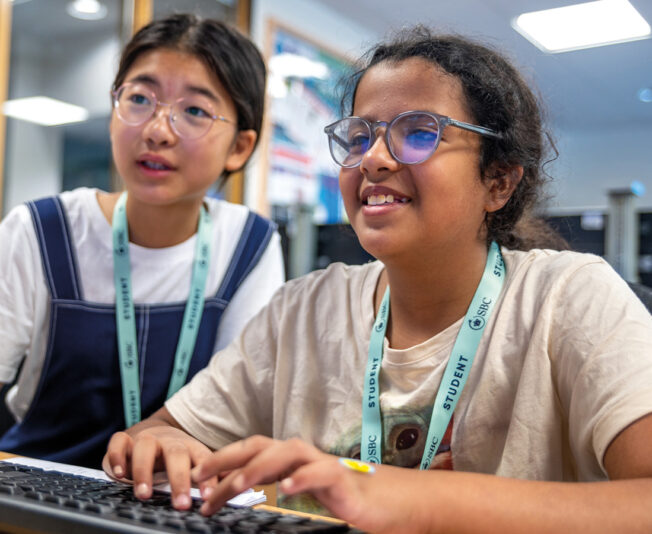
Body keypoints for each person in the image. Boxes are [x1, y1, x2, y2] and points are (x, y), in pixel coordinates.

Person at [104, 27, 652, 533]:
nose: (374, 159)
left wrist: (415, 500)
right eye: (359, 135)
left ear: (498, 181)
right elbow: (167, 429)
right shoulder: (303, 308)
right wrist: (161, 446)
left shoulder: (568, 297)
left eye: (418, 133)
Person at [0, 14, 284, 468]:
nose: (157, 130)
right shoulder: (40, 230)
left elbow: (240, 408)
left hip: (171, 500)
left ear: (240, 147)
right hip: (34, 485)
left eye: (194, 111)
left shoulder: (247, 244)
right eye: (139, 99)